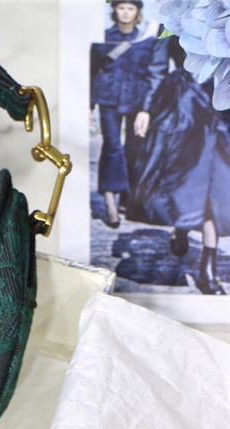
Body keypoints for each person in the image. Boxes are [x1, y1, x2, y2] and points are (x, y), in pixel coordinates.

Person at [126, 38, 229, 295]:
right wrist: (146, 109)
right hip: (186, 107)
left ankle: (207, 270)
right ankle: (183, 229)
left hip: (223, 105)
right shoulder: (173, 20)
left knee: (217, 188)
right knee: (188, 181)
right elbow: (156, 68)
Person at [90, 0, 168, 227]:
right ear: (114, 10)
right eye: (121, 7)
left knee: (134, 149)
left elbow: (155, 73)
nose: (125, 12)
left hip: (137, 100)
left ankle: (127, 196)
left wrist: (146, 109)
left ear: (138, 12)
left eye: (130, 8)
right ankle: (110, 201)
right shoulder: (103, 36)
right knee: (112, 146)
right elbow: (91, 70)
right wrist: (89, 104)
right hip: (109, 98)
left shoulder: (146, 38)